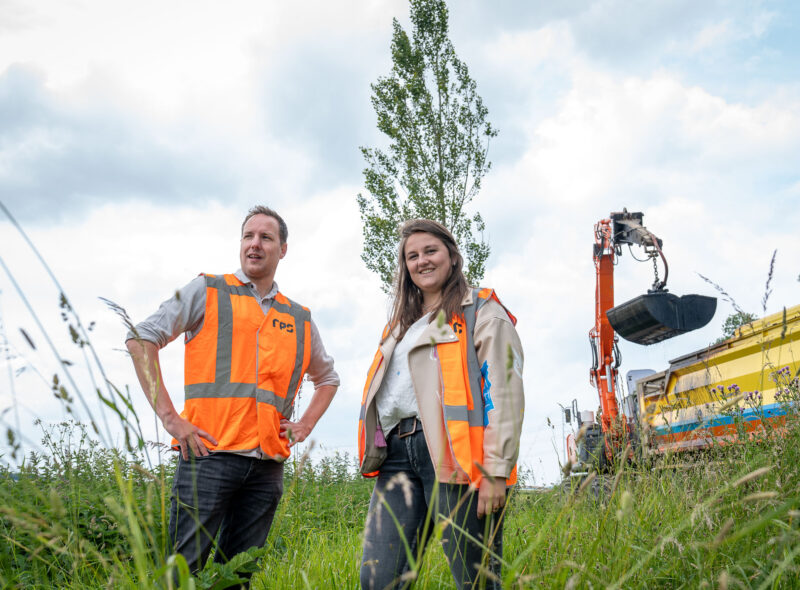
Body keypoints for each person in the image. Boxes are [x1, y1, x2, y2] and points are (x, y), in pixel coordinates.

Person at [126, 206, 339, 581]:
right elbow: (141, 338)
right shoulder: (207, 289)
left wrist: (304, 424)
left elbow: (328, 379)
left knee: (236, 577)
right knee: (182, 575)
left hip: (266, 467)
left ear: (283, 249)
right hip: (208, 457)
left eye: (265, 237)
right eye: (248, 236)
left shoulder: (299, 317)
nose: (254, 244)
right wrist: (171, 420)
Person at [358, 219, 524, 589]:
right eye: (412, 256)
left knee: (475, 580)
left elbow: (505, 393)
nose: (422, 261)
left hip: (458, 460)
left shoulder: (481, 312)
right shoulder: (399, 326)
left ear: (451, 255)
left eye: (430, 251)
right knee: (377, 579)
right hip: (397, 455)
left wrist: (496, 470)